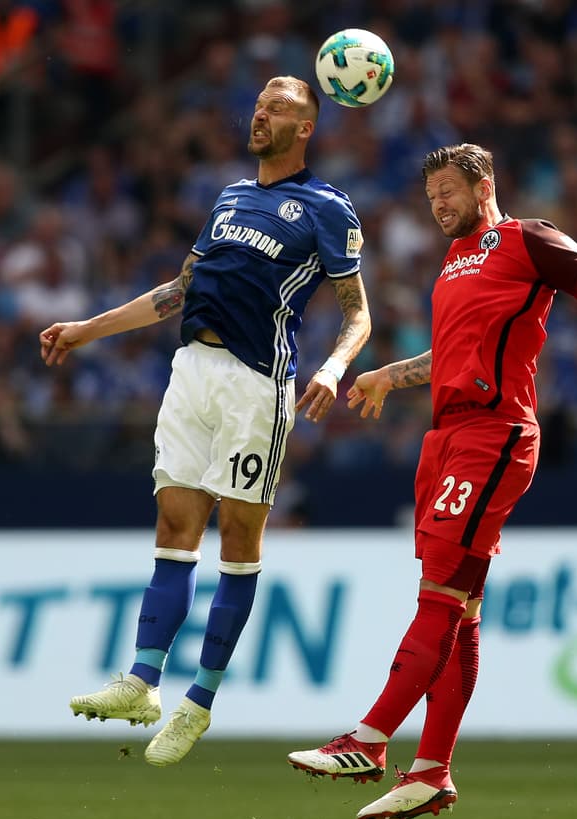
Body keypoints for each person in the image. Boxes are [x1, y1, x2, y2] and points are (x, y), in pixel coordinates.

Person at [286, 143, 577, 819]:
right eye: (430, 196)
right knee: (463, 605)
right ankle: (431, 771)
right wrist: (390, 374)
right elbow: (451, 352)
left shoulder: (529, 240)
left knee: (439, 594)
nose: (438, 204)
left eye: (448, 190)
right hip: (445, 438)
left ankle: (369, 738)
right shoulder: (453, 260)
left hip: (494, 435)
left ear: (484, 186)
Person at [38, 76, 372, 766]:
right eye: (260, 103)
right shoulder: (229, 197)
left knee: (239, 541)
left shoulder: (328, 208)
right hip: (191, 370)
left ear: (305, 128)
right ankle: (143, 680)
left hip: (257, 384)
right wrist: (86, 329)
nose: (262, 114)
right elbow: (176, 291)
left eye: (279, 107)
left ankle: (200, 700)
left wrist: (335, 367)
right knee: (172, 527)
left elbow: (358, 312)